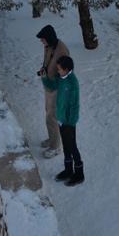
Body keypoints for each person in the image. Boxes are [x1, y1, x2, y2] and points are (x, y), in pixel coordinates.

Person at [43, 56, 84, 186]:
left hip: (69, 122)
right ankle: (68, 170)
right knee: (66, 147)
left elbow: (74, 105)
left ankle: (79, 174)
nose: (58, 71)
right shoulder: (61, 79)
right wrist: (44, 77)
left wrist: (70, 122)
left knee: (72, 147)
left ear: (67, 69)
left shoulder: (73, 83)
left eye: (59, 69)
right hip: (61, 119)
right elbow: (51, 85)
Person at [36, 25, 69, 158]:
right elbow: (48, 62)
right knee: (48, 114)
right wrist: (44, 70)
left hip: (57, 89)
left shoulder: (62, 51)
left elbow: (66, 74)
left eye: (43, 39)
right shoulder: (49, 46)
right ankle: (52, 139)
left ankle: (55, 147)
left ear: (49, 38)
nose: (41, 42)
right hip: (49, 86)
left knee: (52, 117)